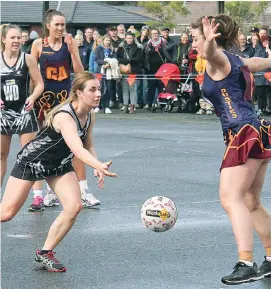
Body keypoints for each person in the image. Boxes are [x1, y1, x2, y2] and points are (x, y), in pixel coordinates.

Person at [0, 72, 117, 272]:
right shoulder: (65, 116)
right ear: (79, 93)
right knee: (6, 213)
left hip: (58, 164)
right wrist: (97, 166)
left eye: (99, 89)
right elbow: (77, 149)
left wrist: (97, 164)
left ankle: (44, 254)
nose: (98, 93)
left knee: (74, 206)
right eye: (92, 89)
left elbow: (87, 144)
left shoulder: (89, 114)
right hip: (33, 162)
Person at [191, 15, 271, 285]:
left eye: (196, 38)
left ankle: (246, 262)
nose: (194, 43)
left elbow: (213, 55)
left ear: (211, 37)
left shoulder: (219, 60)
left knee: (230, 198)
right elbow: (262, 62)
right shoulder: (242, 62)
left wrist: (210, 44)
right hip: (257, 130)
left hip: (243, 134)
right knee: (251, 201)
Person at [30, 9, 100, 211]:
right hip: (43, 103)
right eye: (57, 25)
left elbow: (79, 72)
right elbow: (31, 73)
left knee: (75, 144)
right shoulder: (37, 45)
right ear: (48, 26)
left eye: (63, 25)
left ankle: (83, 190)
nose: (61, 28)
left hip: (65, 101)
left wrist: (72, 51)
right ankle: (40, 195)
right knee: (42, 146)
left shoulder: (69, 44)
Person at [0, 24, 44, 199]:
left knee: (30, 154)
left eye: (19, 37)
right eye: (12, 38)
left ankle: (38, 195)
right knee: (2, 155)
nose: (17, 41)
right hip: (3, 114)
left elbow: (40, 83)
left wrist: (32, 98)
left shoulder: (27, 59)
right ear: (4, 39)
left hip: (24, 111)